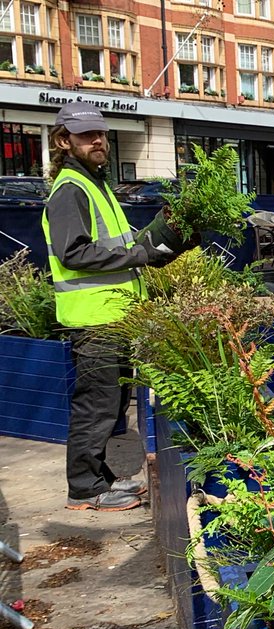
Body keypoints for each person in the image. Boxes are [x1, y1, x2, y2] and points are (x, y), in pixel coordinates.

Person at [42, 101, 186, 511]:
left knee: (111, 403)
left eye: (101, 134)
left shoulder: (94, 184)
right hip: (94, 319)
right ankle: (84, 489)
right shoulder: (71, 189)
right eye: (87, 135)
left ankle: (99, 479)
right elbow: (74, 253)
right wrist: (140, 255)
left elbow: (113, 245)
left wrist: (156, 245)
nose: (98, 141)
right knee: (96, 406)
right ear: (64, 141)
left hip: (112, 316)